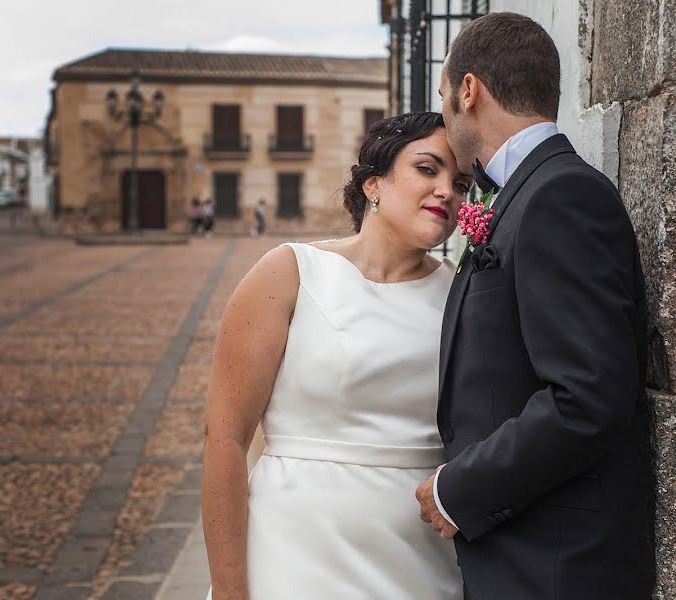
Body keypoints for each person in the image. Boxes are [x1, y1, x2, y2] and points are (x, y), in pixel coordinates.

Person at [414, 12, 655, 599]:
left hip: (556, 570)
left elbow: (587, 396)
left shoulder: (560, 195)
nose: (447, 117)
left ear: (469, 91)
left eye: (445, 97)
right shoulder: (528, 192)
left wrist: (459, 490)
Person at [202, 112, 473, 599]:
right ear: (374, 183)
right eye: (427, 170)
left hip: (418, 564)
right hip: (289, 556)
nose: (447, 192)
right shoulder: (288, 273)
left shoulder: (463, 295)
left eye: (461, 182)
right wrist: (228, 591)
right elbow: (225, 439)